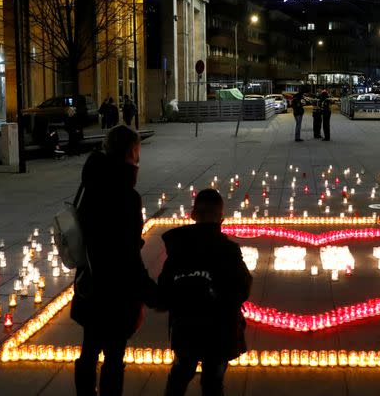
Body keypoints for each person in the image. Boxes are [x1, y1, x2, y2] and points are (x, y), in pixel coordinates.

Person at [72, 125, 158, 396]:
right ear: (132, 151)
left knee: (89, 348)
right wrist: (148, 292)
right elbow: (127, 253)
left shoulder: (90, 184)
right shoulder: (126, 197)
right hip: (116, 290)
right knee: (113, 355)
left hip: (91, 281)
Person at [157, 189, 252, 396]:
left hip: (186, 329)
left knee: (180, 375)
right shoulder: (229, 250)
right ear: (222, 219)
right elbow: (243, 288)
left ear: (192, 215)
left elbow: (164, 289)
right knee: (213, 382)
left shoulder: (177, 248)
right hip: (220, 331)